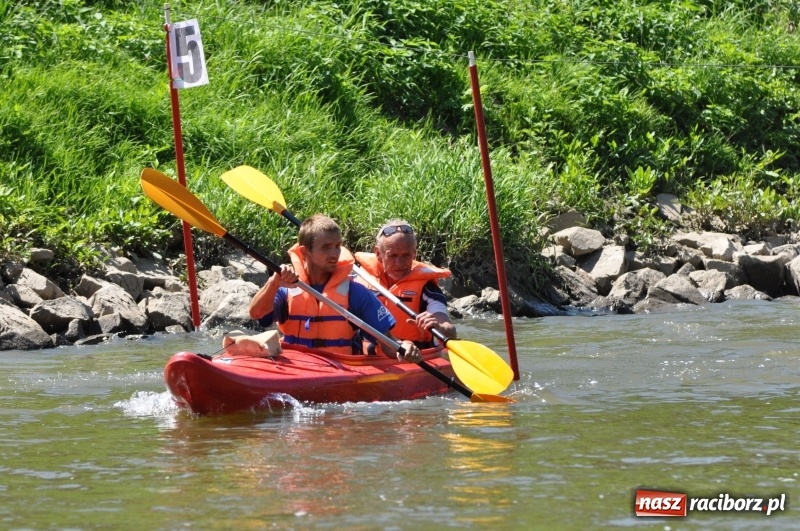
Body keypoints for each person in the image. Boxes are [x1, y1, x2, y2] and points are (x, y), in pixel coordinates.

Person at [249, 214, 421, 363]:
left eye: (338, 246)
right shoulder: (287, 288)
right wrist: (274, 282)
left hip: (339, 371)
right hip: (296, 368)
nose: (334, 254)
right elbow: (256, 314)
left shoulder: (355, 293)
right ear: (304, 252)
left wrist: (405, 347)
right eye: (326, 247)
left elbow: (388, 343)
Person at [354, 219, 457, 348]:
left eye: (406, 255)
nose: (399, 263)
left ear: (414, 253)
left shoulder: (427, 289)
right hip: (366, 361)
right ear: (378, 254)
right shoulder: (358, 279)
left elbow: (451, 331)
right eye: (393, 255)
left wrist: (439, 327)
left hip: (412, 358)